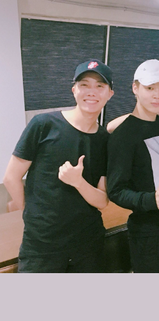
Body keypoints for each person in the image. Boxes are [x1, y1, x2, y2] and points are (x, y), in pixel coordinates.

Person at [3, 59, 114, 273]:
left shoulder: (105, 140)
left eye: (100, 86)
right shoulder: (44, 124)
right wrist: (33, 215)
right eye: (84, 85)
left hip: (87, 245)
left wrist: (78, 182)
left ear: (110, 94)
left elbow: (102, 200)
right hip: (43, 246)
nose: (91, 92)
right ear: (74, 90)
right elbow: (11, 178)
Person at [106, 59, 159, 273]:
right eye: (150, 88)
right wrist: (151, 200)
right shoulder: (123, 135)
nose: (157, 95)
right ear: (135, 88)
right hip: (149, 234)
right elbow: (116, 191)